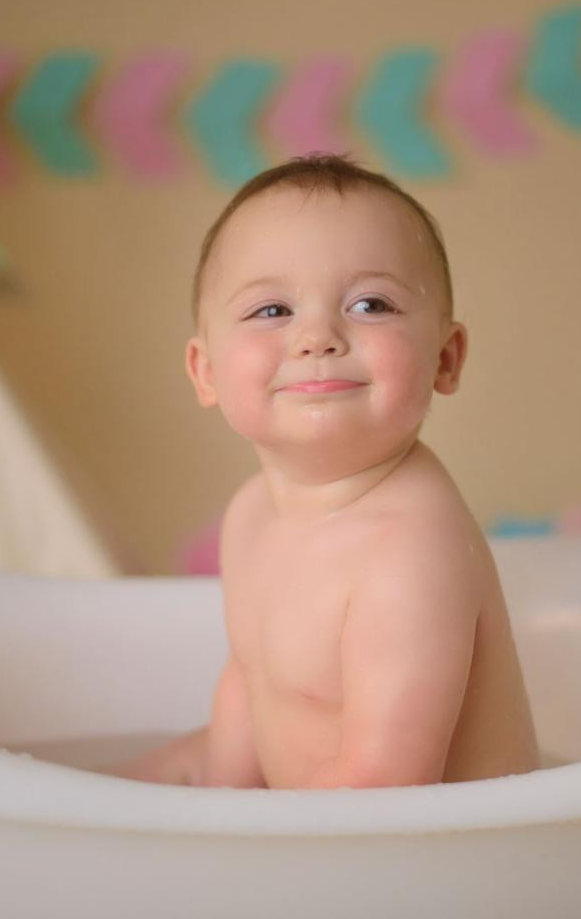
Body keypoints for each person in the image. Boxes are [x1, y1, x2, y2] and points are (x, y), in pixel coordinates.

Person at [103, 153, 540, 789]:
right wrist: (208, 811)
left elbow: (383, 798)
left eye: (370, 304)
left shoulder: (410, 551)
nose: (317, 337)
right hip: (311, 823)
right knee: (145, 771)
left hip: (436, 865)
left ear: (445, 359)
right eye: (272, 311)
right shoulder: (252, 512)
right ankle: (13, 783)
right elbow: (249, 693)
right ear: (206, 372)